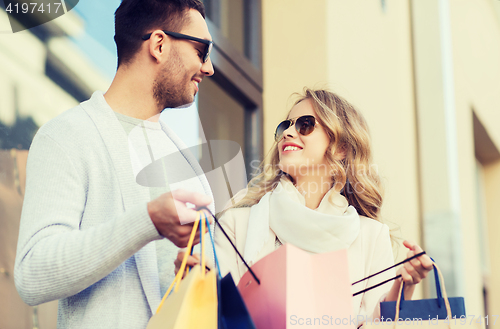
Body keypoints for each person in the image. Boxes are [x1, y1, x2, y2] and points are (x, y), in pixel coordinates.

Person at [14, 0, 215, 328]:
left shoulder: (187, 164)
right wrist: (148, 221)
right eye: (202, 50)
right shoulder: (67, 136)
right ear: (159, 45)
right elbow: (32, 273)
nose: (209, 68)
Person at [177, 88, 434, 324]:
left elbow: (375, 325)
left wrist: (404, 284)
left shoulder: (370, 236)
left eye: (305, 125)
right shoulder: (236, 224)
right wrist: (196, 277)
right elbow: (216, 316)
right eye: (285, 126)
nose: (289, 133)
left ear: (342, 146)